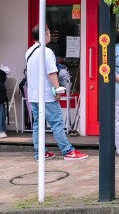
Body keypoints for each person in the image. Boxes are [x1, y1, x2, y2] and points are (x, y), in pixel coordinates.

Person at [25, 25, 87, 161]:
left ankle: (40, 153)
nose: (50, 35)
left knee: (37, 124)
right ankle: (67, 151)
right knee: (57, 123)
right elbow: (52, 72)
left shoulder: (29, 51)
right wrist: (58, 89)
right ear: (45, 35)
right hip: (46, 95)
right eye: (48, 32)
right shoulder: (46, 52)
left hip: (34, 95)